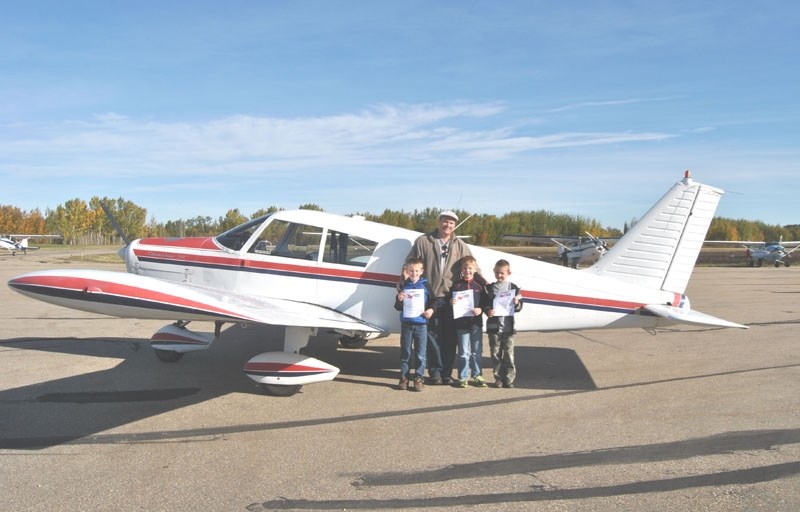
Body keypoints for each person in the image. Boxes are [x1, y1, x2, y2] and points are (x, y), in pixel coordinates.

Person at [406, 210, 483, 385]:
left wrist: (487, 290)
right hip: (430, 297)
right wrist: (402, 284)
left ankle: (447, 373)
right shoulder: (423, 241)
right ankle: (435, 372)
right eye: (445, 221)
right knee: (432, 337)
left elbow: (472, 267)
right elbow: (410, 264)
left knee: (449, 337)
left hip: (452, 298)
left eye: (451, 223)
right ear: (438, 222)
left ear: (455, 226)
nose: (448, 225)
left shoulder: (460, 245)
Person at [394, 257, 435, 391]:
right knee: (405, 352)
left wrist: (431, 309)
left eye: (417, 271)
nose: (414, 273)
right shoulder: (403, 286)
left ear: (421, 271)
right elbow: (398, 307)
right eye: (411, 271)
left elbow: (434, 301)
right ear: (407, 271)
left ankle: (418, 378)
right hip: (406, 324)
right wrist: (399, 299)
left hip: (421, 324)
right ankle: (404, 378)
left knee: (420, 353)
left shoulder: (426, 284)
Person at [483, 259, 523, 388]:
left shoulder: (513, 288)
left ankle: (509, 378)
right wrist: (487, 311)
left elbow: (519, 307)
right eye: (496, 273)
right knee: (495, 354)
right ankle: (498, 378)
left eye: (502, 273)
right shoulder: (489, 288)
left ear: (508, 273)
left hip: (508, 327)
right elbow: (485, 305)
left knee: (508, 354)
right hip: (494, 327)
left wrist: (517, 303)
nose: (499, 275)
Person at [449, 256, 487, 388]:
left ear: (475, 269)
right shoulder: (457, 285)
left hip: (475, 323)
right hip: (461, 324)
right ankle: (463, 377)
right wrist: (451, 302)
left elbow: (485, 303)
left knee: (476, 352)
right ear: (461, 269)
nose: (467, 271)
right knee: (463, 352)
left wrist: (481, 309)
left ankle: (477, 376)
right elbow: (450, 301)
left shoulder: (480, 286)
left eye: (470, 268)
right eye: (464, 268)